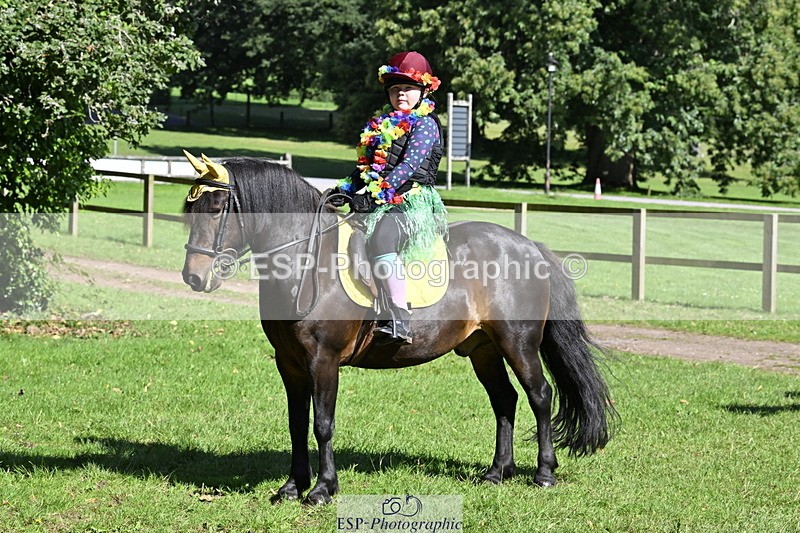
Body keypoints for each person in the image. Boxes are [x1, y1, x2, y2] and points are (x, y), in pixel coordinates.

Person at [333, 51, 448, 345]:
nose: (401, 94)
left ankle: (399, 317)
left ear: (423, 90)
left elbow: (409, 166)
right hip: (381, 197)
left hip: (412, 200)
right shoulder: (381, 123)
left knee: (383, 238)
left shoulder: (425, 125)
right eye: (396, 89)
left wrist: (376, 194)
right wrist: (345, 189)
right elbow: (367, 166)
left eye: (408, 88)